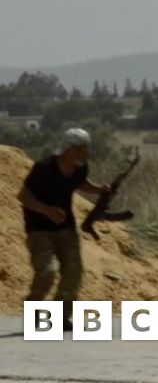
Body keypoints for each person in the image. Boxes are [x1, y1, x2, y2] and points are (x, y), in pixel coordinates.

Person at [18, 128, 111, 330]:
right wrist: (47, 210)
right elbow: (24, 196)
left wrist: (98, 189)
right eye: (82, 148)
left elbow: (79, 183)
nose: (85, 153)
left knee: (73, 271)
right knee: (47, 272)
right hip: (39, 229)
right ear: (70, 149)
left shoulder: (80, 167)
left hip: (65, 227)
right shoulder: (45, 167)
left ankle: (61, 317)